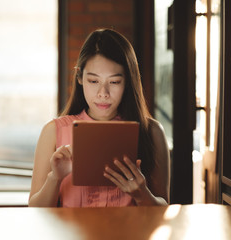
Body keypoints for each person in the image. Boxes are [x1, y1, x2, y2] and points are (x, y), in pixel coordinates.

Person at [28, 28, 170, 207]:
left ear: (128, 81)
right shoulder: (53, 131)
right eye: (94, 81)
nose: (103, 93)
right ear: (79, 77)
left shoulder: (151, 132)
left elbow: (164, 208)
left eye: (114, 82)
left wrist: (142, 194)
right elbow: (34, 210)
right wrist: (54, 177)